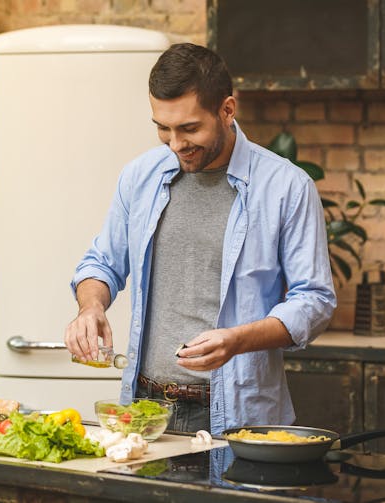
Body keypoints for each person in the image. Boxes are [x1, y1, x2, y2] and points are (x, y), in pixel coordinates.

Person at [64, 43, 336, 435]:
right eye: (163, 128)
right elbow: (101, 263)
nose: (176, 144)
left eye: (189, 128)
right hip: (144, 412)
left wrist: (237, 340)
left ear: (227, 109)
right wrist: (90, 307)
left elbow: (315, 301)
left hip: (239, 419)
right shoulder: (139, 176)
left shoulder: (286, 187)